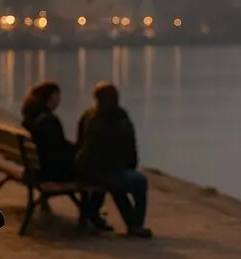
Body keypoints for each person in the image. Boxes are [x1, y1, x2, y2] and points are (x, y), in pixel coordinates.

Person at [21, 81, 111, 233]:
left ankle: (90, 213)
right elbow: (59, 150)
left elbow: (55, 145)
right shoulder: (48, 121)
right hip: (52, 172)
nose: (60, 99)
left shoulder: (32, 117)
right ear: (49, 98)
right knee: (100, 174)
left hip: (38, 168)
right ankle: (91, 213)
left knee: (92, 167)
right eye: (57, 95)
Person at [76, 81, 153, 239]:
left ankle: (93, 214)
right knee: (139, 181)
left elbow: (80, 143)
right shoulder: (118, 119)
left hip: (85, 168)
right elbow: (127, 149)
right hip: (104, 171)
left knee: (118, 182)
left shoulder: (88, 115)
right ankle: (136, 224)